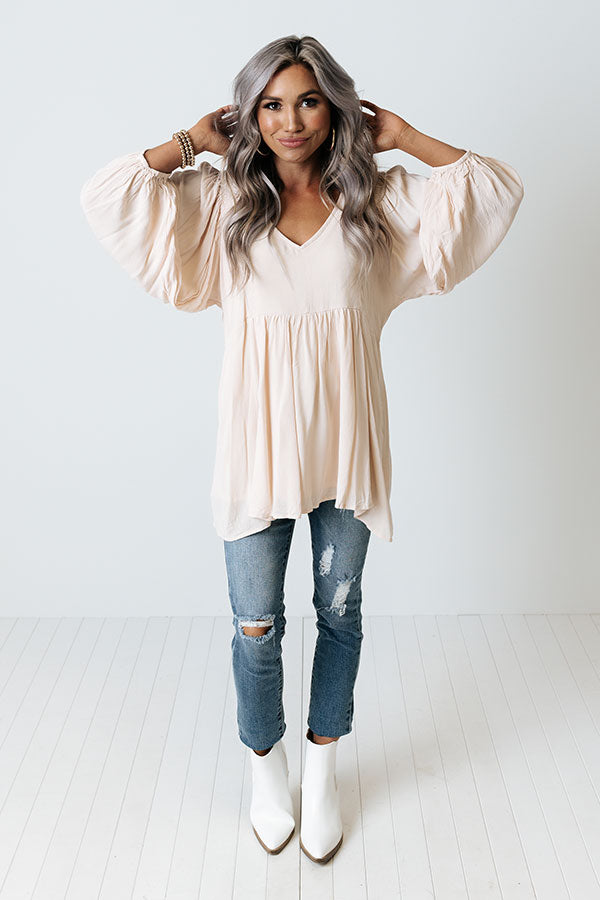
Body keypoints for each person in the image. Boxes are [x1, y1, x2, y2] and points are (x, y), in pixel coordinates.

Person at [79, 34, 524, 865]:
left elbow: (494, 189)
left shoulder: (374, 202)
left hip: (347, 450)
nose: (291, 121)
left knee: (340, 616)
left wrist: (404, 136)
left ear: (335, 107)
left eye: (309, 101)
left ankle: (322, 774)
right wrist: (190, 142)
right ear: (249, 113)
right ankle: (267, 769)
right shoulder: (224, 204)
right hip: (256, 450)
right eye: (272, 104)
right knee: (256, 627)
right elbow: (107, 196)